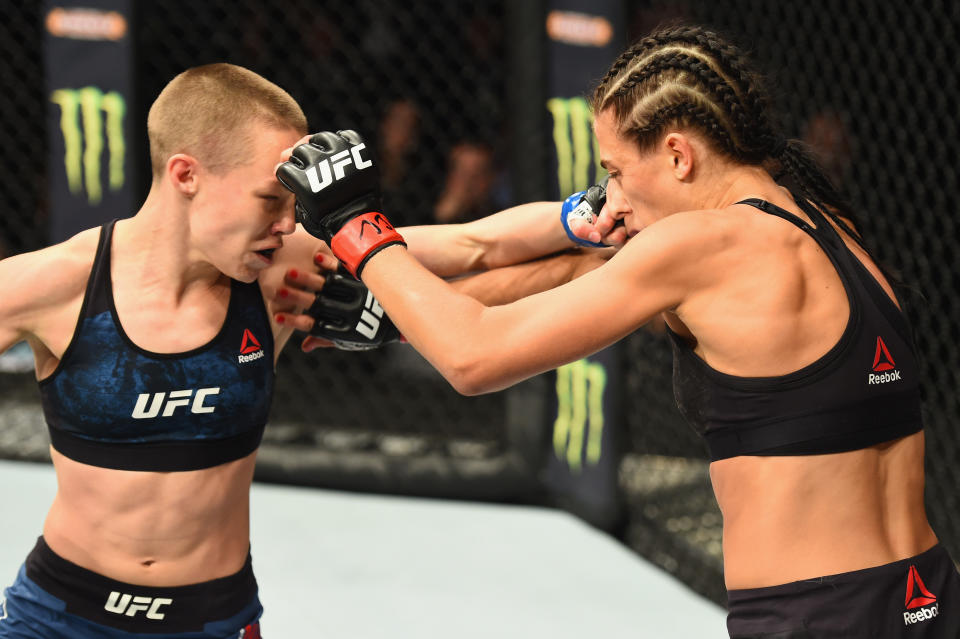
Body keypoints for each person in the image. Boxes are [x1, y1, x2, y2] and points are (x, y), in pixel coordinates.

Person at [277, 25, 959, 638]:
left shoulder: (701, 245)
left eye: (616, 174)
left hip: (817, 616)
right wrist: (396, 315)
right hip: (924, 596)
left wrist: (357, 226)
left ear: (678, 155)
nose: (615, 200)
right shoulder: (823, 224)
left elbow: (475, 356)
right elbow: (562, 272)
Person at [0, 62, 606, 638]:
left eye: (294, 203)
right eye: (271, 199)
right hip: (54, 615)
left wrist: (588, 218)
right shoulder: (48, 286)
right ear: (186, 175)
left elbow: (475, 246)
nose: (290, 224)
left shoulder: (274, 273)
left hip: (212, 618)